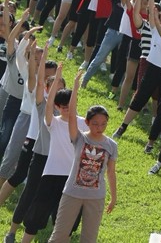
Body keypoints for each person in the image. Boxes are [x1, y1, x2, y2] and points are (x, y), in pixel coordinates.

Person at [46, 70, 118, 243]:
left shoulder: (111, 145)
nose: (99, 127)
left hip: (96, 196)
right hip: (72, 193)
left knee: (89, 239)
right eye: (95, 123)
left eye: (103, 124)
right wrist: (76, 88)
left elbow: (111, 173)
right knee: (59, 236)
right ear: (86, 122)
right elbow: (71, 115)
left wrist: (114, 197)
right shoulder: (79, 137)